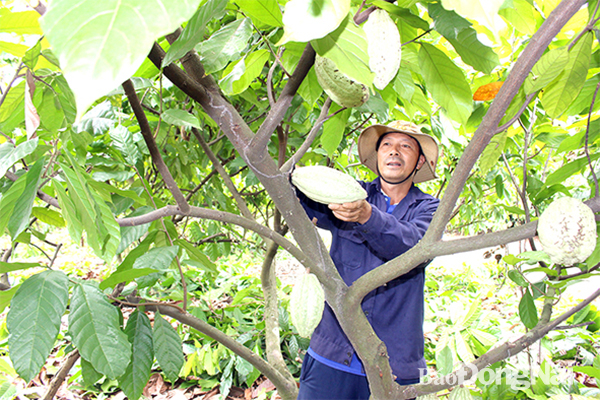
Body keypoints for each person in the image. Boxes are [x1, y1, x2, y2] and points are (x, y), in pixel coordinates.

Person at [295, 120, 441, 400]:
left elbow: (412, 248)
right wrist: (296, 179)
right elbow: (304, 202)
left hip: (395, 362)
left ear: (420, 161)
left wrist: (367, 216)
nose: (394, 151)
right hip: (333, 350)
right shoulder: (349, 192)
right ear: (377, 157)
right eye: (386, 145)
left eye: (405, 146)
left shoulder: (430, 208)